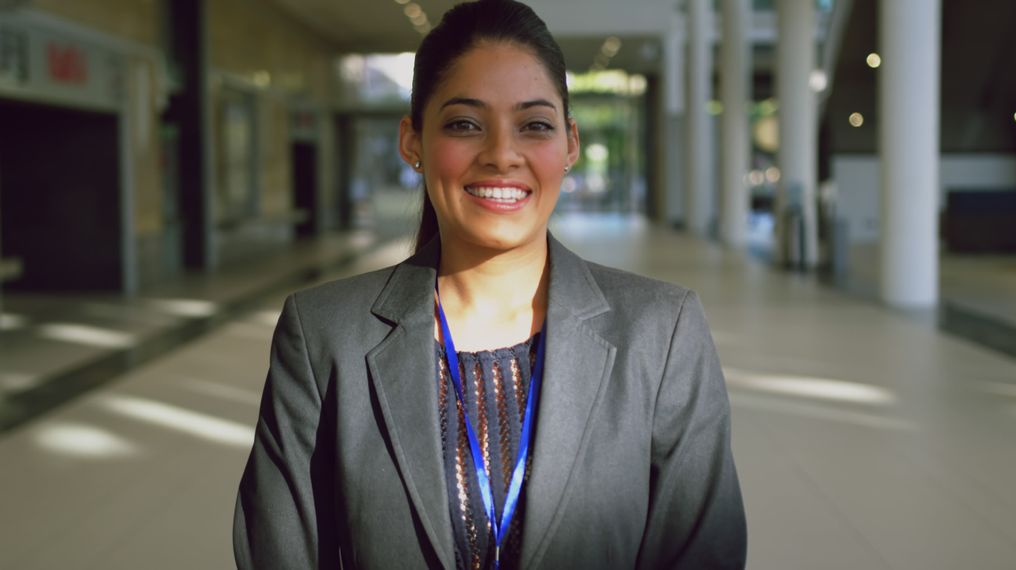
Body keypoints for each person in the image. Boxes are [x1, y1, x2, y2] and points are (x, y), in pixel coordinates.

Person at [232, 0, 746, 568]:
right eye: (464, 124)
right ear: (413, 143)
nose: (502, 154)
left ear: (569, 144)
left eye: (535, 125)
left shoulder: (661, 332)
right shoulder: (324, 334)